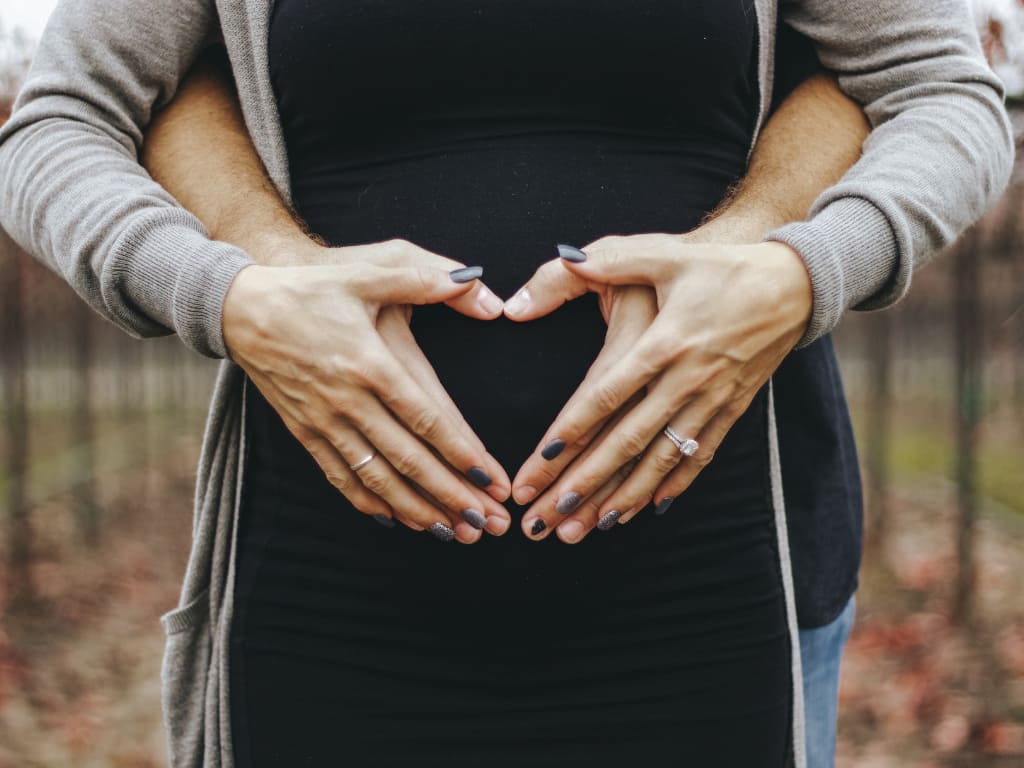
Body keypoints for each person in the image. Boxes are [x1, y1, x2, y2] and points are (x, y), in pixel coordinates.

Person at [0, 2, 1012, 768]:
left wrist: (798, 268)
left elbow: (937, 90)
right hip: (324, 595)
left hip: (717, 587)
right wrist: (231, 293)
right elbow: (61, 125)